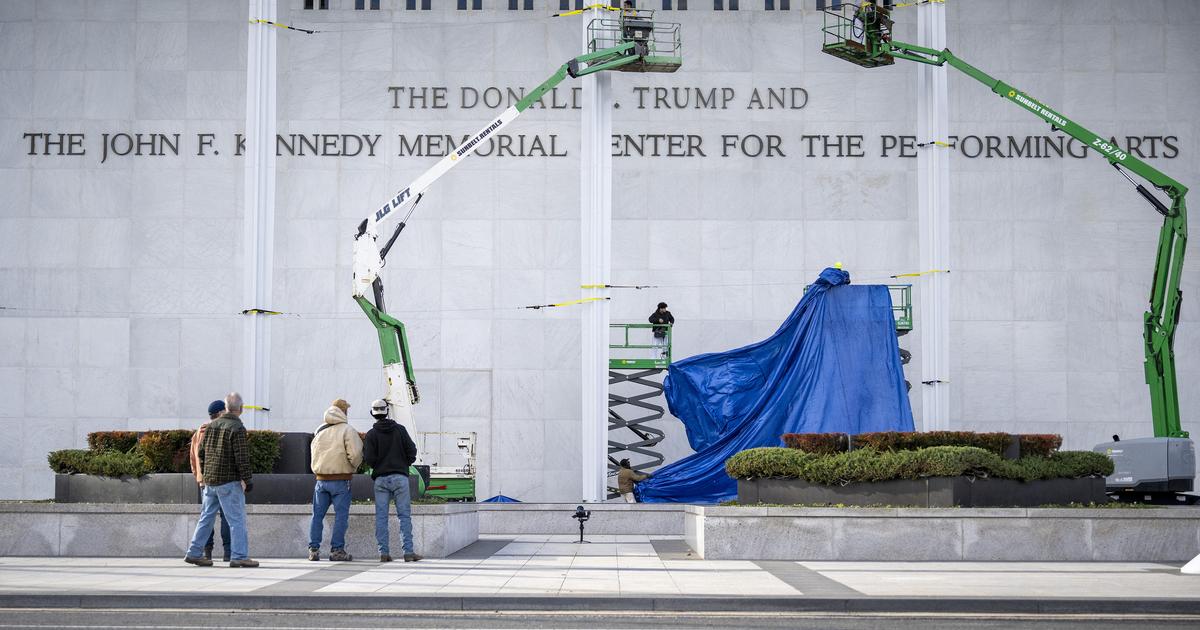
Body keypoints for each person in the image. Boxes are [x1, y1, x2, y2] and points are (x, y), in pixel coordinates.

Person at [183, 392, 258, 568]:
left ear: (226, 407)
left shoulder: (211, 426)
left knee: (206, 518)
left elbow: (201, 453)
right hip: (229, 482)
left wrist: (206, 473)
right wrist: (248, 480)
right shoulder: (237, 428)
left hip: (210, 482)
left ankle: (194, 552)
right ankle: (239, 556)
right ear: (241, 409)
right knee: (237, 520)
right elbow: (241, 458)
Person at [362, 399, 421, 563]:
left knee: (381, 517)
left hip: (381, 479)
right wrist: (404, 463)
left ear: (372, 413)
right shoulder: (400, 430)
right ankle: (408, 552)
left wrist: (379, 465)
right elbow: (412, 450)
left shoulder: (371, 434)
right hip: (400, 477)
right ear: (387, 411)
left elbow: (369, 458)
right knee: (404, 516)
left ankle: (384, 553)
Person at [308, 398, 363, 562]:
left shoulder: (319, 430)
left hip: (320, 480)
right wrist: (353, 467)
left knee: (317, 516)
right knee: (341, 516)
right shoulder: (347, 430)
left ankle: (313, 550)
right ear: (344, 411)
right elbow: (355, 454)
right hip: (341, 479)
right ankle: (337, 550)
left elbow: (314, 453)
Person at [189, 399, 232, 562]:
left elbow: (193, 458)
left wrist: (198, 477)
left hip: (204, 482)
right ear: (220, 413)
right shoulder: (220, 431)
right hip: (221, 480)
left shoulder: (197, 433)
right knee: (227, 516)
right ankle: (228, 552)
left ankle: (207, 552)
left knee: (207, 517)